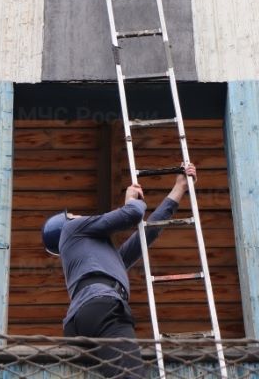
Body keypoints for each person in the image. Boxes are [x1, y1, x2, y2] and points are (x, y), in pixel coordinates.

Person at [41, 162, 195, 378]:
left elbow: (148, 232)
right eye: (75, 214)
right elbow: (131, 214)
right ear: (66, 223)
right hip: (101, 307)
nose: (81, 215)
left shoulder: (105, 260)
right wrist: (131, 201)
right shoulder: (71, 228)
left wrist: (179, 187)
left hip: (84, 317)